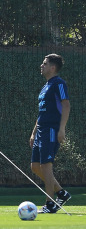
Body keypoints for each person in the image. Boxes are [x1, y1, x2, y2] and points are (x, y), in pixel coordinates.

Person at [29, 53, 71, 214]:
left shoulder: (59, 83)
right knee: (35, 167)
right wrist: (33, 133)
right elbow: (41, 113)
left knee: (46, 166)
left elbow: (66, 106)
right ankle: (61, 192)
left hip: (52, 130)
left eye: (45, 63)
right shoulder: (45, 86)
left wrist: (62, 129)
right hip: (41, 131)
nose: (42, 65)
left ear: (52, 67)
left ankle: (50, 204)